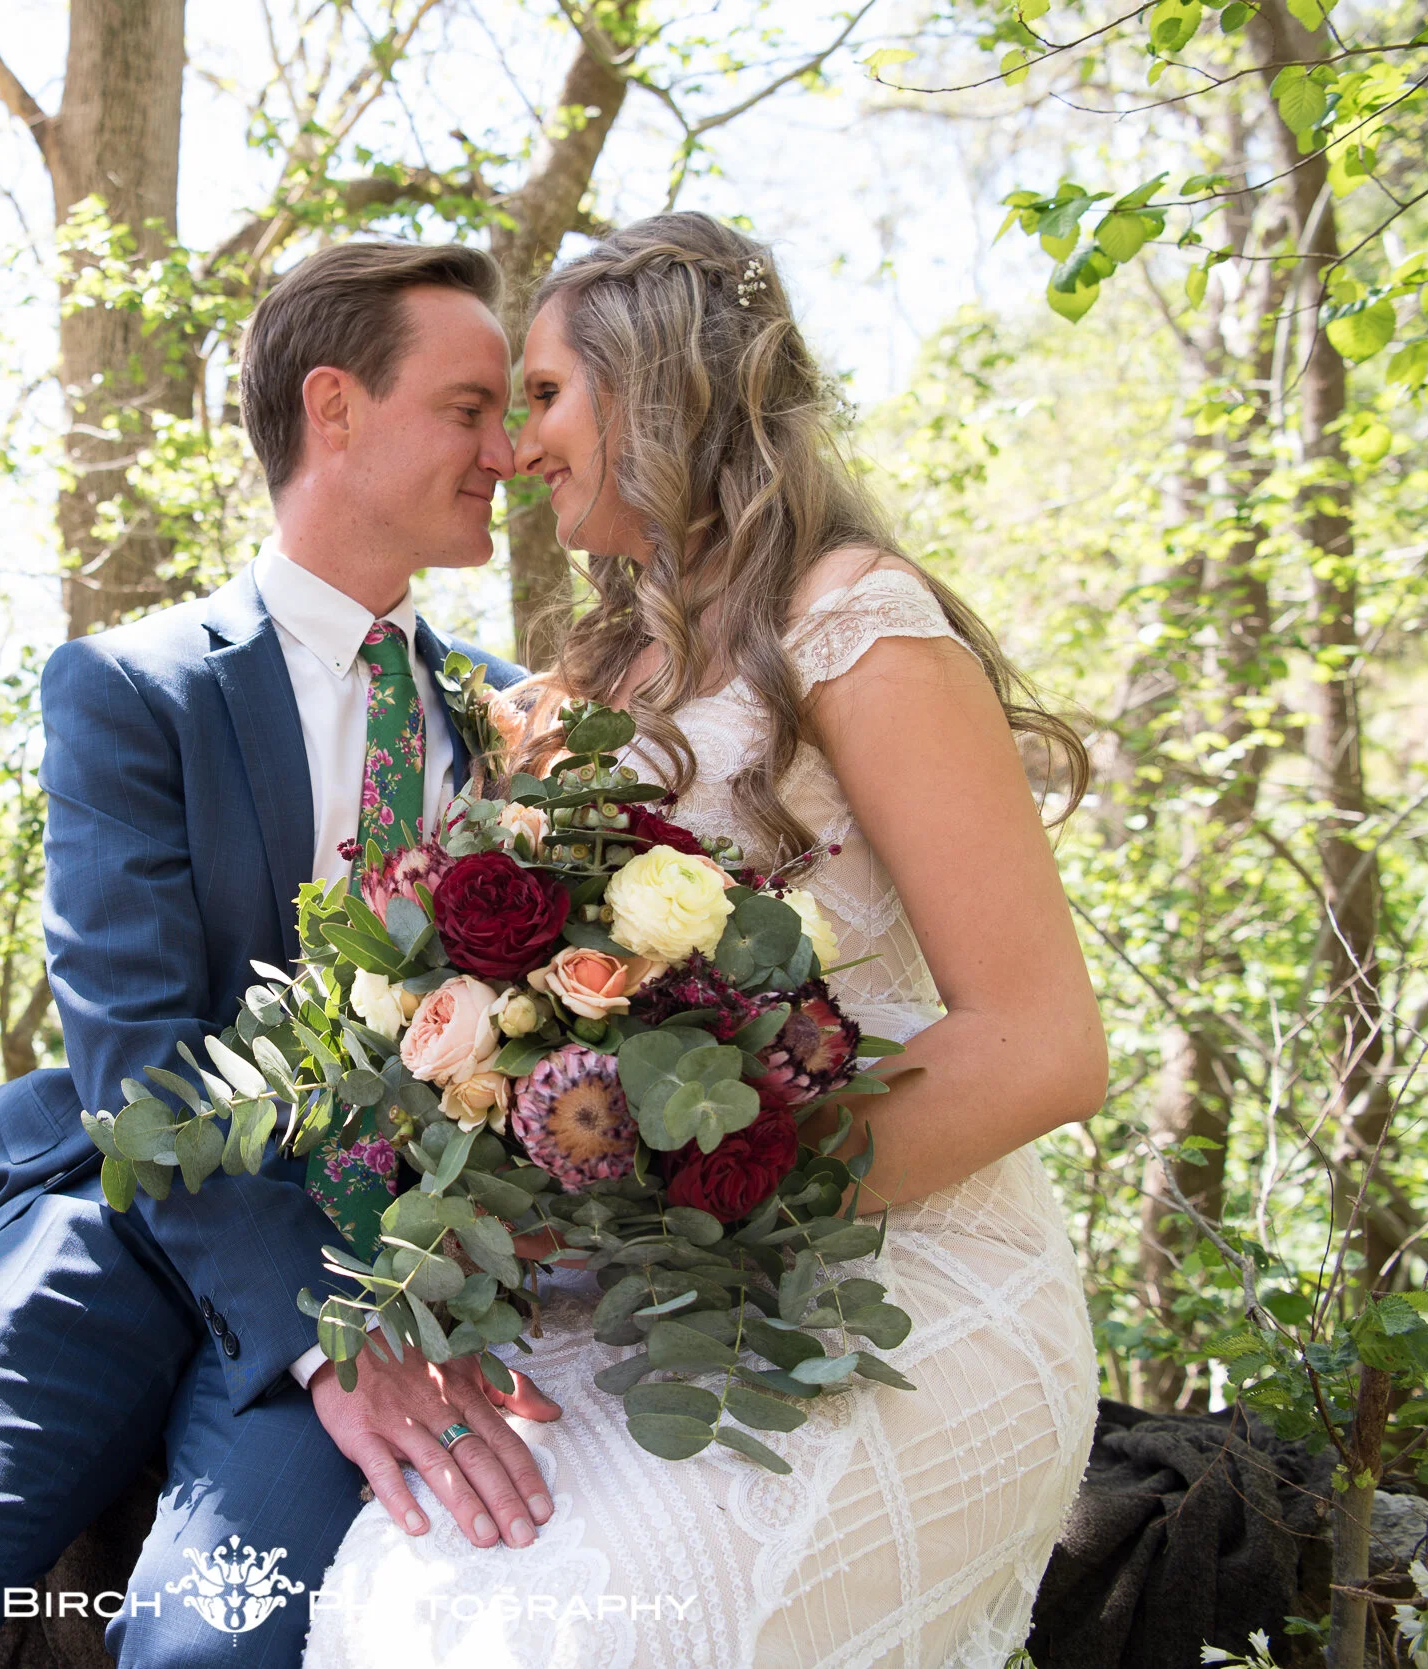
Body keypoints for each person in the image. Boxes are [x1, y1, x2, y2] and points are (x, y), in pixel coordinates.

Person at [300, 214, 1107, 1666]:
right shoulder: (581, 680)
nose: (515, 448)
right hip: (637, 1300)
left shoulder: (860, 626)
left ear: (656, 385)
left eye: (542, 395)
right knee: (408, 1606)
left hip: (887, 1285)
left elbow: (1046, 1045)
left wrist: (717, 1195)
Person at [0, 240, 560, 1669]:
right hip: (123, 1206)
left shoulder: (515, 723)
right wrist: (325, 1342)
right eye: (471, 407)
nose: (510, 450)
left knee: (217, 1653)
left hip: (381, 1242)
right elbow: (132, 1049)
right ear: (337, 408)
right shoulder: (137, 687)